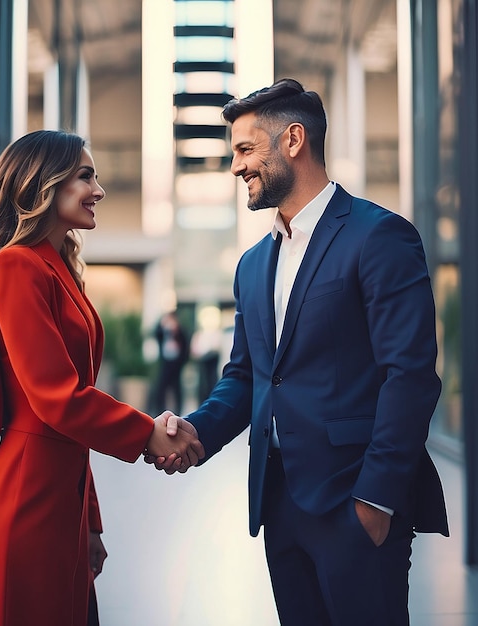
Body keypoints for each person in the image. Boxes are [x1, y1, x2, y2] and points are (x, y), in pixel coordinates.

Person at [148, 79, 449, 625]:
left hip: (355, 502)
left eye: (245, 149)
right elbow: (247, 377)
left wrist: (374, 503)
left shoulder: (380, 236)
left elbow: (410, 376)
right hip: (279, 503)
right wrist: (193, 433)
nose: (236, 167)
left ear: (293, 140)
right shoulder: (252, 264)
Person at [0, 130, 204, 626]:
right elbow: (58, 399)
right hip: (27, 504)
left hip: (61, 503)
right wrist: (147, 433)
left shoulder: (59, 269)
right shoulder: (16, 266)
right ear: (43, 183)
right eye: (85, 175)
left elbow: (69, 420)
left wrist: (89, 522)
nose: (99, 189)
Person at [152, 311, 188, 414]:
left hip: (176, 363)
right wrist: (162, 324)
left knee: (177, 388)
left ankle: (178, 411)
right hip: (166, 362)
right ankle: (159, 410)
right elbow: (156, 333)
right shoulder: (163, 330)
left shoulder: (180, 331)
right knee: (161, 387)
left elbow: (185, 344)